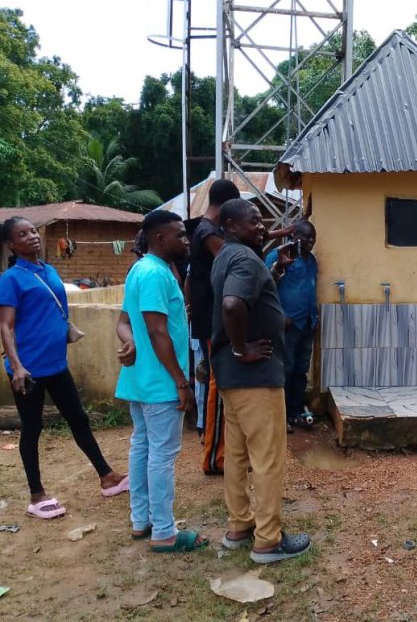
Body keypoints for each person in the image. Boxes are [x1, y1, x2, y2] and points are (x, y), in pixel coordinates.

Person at [0, 217, 128, 520]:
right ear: (10, 244)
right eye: (23, 234)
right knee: (32, 428)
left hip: (55, 363)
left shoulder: (49, 270)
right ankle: (36, 495)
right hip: (28, 369)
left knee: (78, 419)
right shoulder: (11, 279)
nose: (32, 237)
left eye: (33, 231)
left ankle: (107, 476)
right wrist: (16, 366)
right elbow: (5, 326)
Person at [211, 198, 311, 564]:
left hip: (232, 379)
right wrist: (243, 349)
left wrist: (276, 272)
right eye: (254, 222)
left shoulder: (226, 255)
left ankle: (240, 526)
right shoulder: (244, 259)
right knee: (268, 458)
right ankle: (268, 540)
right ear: (232, 225)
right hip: (255, 377)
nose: (262, 227)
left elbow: (244, 299)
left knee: (237, 456)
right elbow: (233, 304)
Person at [115, 210, 207, 552]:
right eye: (179, 235)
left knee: (142, 447)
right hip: (159, 383)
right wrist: (182, 383)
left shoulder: (144, 270)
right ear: (159, 238)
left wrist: (131, 341)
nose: (186, 240)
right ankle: (165, 532)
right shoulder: (153, 273)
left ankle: (142, 521)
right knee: (162, 455)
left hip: (141, 379)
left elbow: (124, 322)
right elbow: (156, 330)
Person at [185, 179, 241, 475]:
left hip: (211, 320)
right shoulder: (207, 232)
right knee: (218, 387)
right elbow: (232, 258)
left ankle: (218, 450)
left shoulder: (208, 230)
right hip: (211, 322)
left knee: (219, 386)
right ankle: (214, 458)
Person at [263, 221, 319, 429]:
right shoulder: (277, 258)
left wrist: (314, 316)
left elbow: (311, 288)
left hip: (306, 324)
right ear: (294, 236)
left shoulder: (312, 261)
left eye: (313, 238)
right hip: (287, 324)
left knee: (300, 369)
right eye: (307, 238)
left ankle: (295, 412)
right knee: (285, 369)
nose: (311, 242)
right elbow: (267, 291)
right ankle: (281, 416)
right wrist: (279, 316)